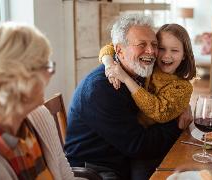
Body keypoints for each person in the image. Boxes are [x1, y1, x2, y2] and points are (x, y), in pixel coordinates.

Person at [64, 14, 192, 180]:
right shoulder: (101, 89)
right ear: (119, 50)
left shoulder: (138, 73)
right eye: (141, 45)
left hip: (125, 156)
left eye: (154, 44)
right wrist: (176, 123)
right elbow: (140, 146)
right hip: (98, 169)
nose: (151, 51)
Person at [0, 22, 77, 179]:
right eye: (44, 66)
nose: (50, 73)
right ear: (10, 80)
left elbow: (65, 174)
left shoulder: (40, 115)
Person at [99, 23, 196, 127]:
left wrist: (126, 79)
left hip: (150, 136)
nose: (167, 55)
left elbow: (158, 111)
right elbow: (112, 47)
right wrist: (109, 64)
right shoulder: (150, 65)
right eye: (161, 48)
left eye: (174, 50)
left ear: (184, 55)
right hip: (126, 126)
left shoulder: (183, 87)